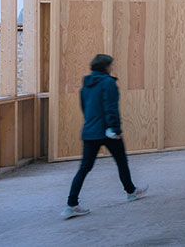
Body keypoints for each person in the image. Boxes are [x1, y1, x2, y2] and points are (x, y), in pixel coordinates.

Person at [62, 54, 148, 218]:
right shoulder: (108, 83)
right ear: (106, 67)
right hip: (108, 131)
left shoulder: (85, 85)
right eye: (111, 65)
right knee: (121, 162)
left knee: (84, 168)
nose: (112, 68)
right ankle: (131, 192)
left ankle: (71, 205)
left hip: (89, 132)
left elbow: (84, 108)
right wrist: (115, 128)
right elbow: (111, 107)